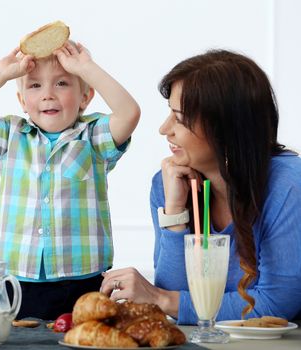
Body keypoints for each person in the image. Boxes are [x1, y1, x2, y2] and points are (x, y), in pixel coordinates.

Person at [101, 49, 301, 324]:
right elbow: (176, 292)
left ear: (228, 131)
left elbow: (276, 304)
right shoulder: (168, 183)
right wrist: (174, 213)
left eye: (180, 119)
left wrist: (161, 299)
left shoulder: (288, 185)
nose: (164, 129)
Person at [0, 41, 140, 319]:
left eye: (62, 83)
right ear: (22, 102)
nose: (48, 95)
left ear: (85, 97)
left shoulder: (92, 137)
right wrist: (0, 73)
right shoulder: (10, 135)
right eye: (34, 86)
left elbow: (129, 113)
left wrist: (86, 68)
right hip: (17, 282)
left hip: (82, 281)